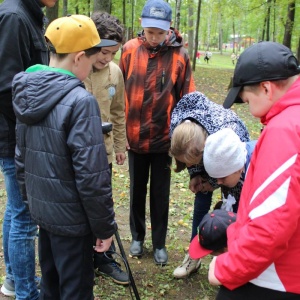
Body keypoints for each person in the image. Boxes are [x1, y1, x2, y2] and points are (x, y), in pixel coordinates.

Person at [12, 15, 117, 299]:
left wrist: (32, 205)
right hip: (73, 222)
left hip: (45, 217)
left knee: (51, 284)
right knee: (76, 289)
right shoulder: (81, 102)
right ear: (79, 57)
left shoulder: (26, 91)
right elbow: (92, 176)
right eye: (92, 60)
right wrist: (104, 227)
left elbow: (20, 158)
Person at [209, 41, 300, 298]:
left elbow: (272, 223)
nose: (249, 109)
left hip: (275, 277)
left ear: (266, 88)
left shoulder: (285, 129)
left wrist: (226, 269)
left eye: (247, 100)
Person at [119, 0, 196, 265]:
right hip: (135, 137)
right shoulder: (129, 50)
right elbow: (118, 93)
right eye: (150, 32)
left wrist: (185, 133)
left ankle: (160, 243)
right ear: (142, 26)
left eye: (160, 33)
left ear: (168, 30)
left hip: (165, 140)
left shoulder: (180, 55)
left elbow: (188, 97)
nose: (154, 38)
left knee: (161, 194)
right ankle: (137, 237)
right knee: (137, 191)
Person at [0, 0, 57, 298]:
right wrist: (33, 124)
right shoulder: (13, 16)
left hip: (17, 132)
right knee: (25, 215)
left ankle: (12, 279)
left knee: (15, 208)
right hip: (14, 135)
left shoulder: (31, 15)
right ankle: (26, 291)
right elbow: (6, 87)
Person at [169, 91, 249, 278]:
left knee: (231, 209)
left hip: (232, 162)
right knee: (201, 198)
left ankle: (230, 258)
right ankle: (194, 255)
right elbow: (187, 155)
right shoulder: (180, 129)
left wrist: (213, 182)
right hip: (204, 151)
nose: (189, 166)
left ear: (204, 149)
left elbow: (233, 171)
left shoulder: (230, 130)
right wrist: (196, 174)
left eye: (194, 163)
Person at [83, 11, 129, 285]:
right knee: (80, 207)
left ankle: (104, 257)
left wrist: (120, 144)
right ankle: (81, 258)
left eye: (113, 53)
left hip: (105, 152)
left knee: (103, 204)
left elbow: (118, 112)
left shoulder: (115, 73)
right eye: (103, 52)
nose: (106, 58)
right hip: (77, 154)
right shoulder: (78, 68)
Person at [203, 128, 256, 210]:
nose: (218, 182)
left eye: (223, 177)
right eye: (216, 177)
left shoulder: (257, 170)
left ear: (238, 168)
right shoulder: (236, 166)